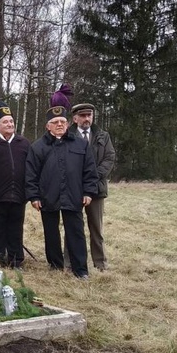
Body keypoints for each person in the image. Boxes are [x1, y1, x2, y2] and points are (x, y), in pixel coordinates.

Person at [25, 105, 98, 279]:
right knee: (51, 233)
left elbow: (89, 171)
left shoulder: (80, 144)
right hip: (48, 196)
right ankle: (55, 265)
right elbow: (31, 174)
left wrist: (88, 192)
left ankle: (80, 269)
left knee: (76, 232)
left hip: (74, 195)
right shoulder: (38, 147)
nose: (59, 125)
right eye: (55, 122)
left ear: (67, 124)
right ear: (48, 126)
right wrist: (34, 196)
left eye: (62, 121)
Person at [69, 103, 115, 271]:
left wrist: (92, 178)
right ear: (75, 118)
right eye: (83, 115)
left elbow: (109, 158)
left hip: (96, 190)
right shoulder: (68, 136)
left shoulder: (103, 136)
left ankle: (100, 263)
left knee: (96, 229)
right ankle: (69, 263)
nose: (87, 118)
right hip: (74, 190)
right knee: (72, 228)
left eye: (89, 115)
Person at [0, 99, 30, 268]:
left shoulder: (23, 143)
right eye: (5, 122)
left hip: (18, 194)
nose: (10, 124)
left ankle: (16, 259)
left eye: (11, 121)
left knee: (15, 228)